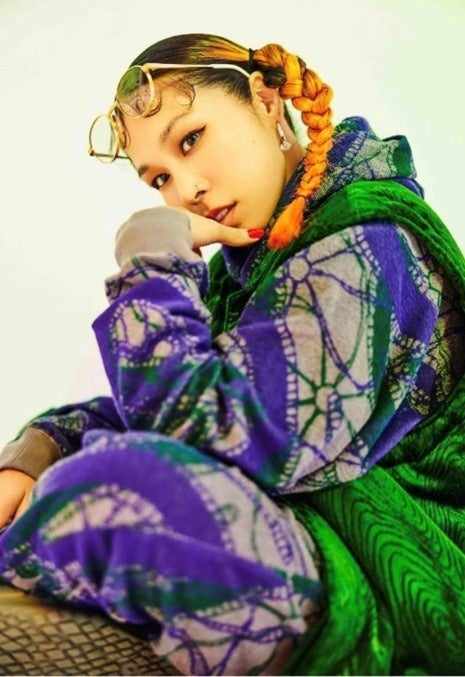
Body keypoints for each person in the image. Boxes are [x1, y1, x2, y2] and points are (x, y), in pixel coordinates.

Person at [0, 31, 465, 676]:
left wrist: (150, 257)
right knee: (76, 476)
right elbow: (170, 401)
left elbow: (225, 437)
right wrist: (39, 452)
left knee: (117, 492)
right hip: (309, 532)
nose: (185, 189)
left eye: (191, 140)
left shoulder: (369, 240)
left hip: (396, 565)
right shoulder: (252, 265)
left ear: (267, 102)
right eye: (159, 178)